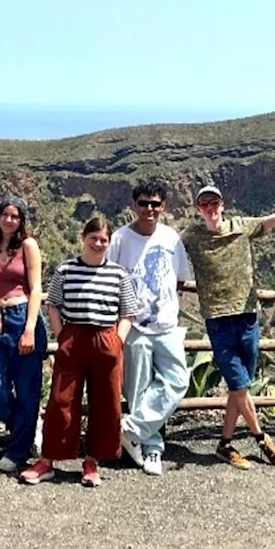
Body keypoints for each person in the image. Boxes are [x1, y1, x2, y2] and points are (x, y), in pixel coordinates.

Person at [182, 173, 275, 469]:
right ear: (197, 208)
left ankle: (224, 445)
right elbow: (164, 249)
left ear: (222, 204)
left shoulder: (241, 227)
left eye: (213, 202)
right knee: (239, 384)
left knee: (238, 387)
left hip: (247, 317)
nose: (210, 208)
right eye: (204, 204)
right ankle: (262, 439)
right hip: (217, 321)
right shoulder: (191, 236)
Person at [22, 217, 141, 487]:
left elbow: (128, 313)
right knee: (61, 400)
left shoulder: (118, 274)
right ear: (83, 238)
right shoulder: (65, 270)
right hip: (73, 337)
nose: (98, 244)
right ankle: (48, 460)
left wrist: (117, 341)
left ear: (109, 243)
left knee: (105, 403)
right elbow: (53, 304)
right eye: (94, 238)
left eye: (103, 240)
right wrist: (63, 335)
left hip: (106, 338)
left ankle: (92, 461)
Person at [108, 180, 193, 476]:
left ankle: (129, 428)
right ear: (134, 205)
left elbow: (180, 278)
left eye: (155, 203)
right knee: (139, 389)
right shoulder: (120, 239)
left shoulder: (171, 238)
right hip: (133, 325)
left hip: (167, 325)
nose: (149, 209)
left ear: (164, 206)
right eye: (143, 203)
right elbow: (109, 280)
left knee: (178, 379)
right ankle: (152, 448)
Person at [0, 196, 47, 473]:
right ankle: (27, 429)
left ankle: (17, 452)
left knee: (28, 390)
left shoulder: (28, 246)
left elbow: (36, 287)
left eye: (15, 216)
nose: (9, 220)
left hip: (23, 317)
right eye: (5, 214)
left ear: (22, 220)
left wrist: (29, 328)